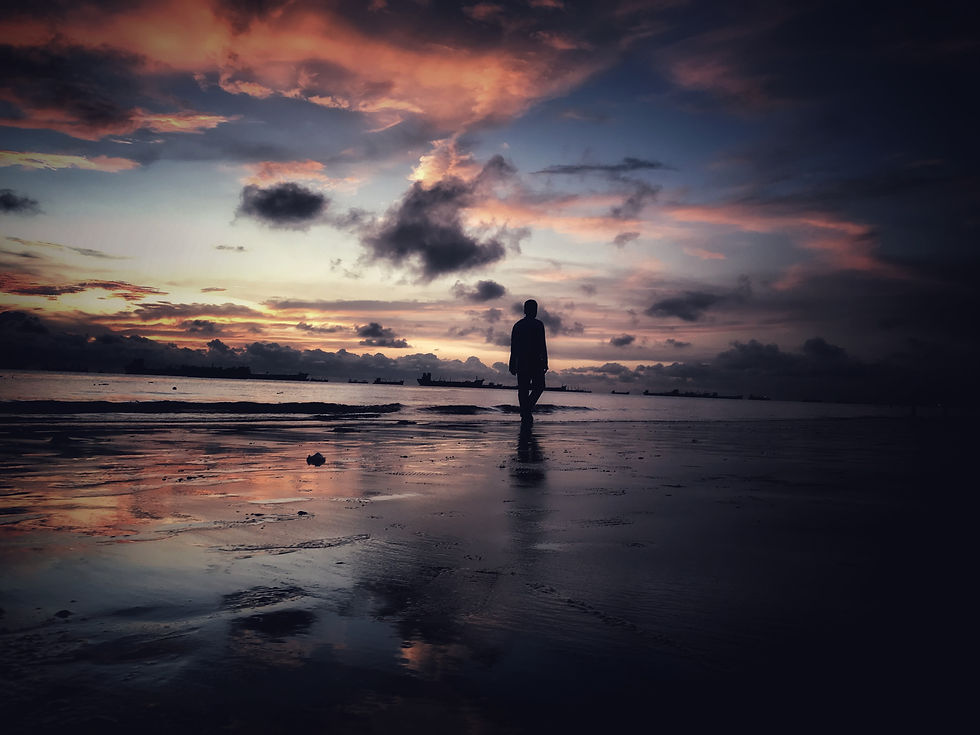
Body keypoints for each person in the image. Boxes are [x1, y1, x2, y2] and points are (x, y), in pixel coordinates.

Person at [509, 299, 548, 423]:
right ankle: (526, 412)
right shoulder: (526, 325)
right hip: (531, 361)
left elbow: (513, 347)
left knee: (529, 388)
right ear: (526, 310)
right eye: (533, 309)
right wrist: (545, 361)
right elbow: (542, 345)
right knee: (529, 388)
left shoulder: (520, 325)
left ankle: (525, 411)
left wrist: (512, 362)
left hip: (528, 361)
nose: (535, 311)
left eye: (535, 309)